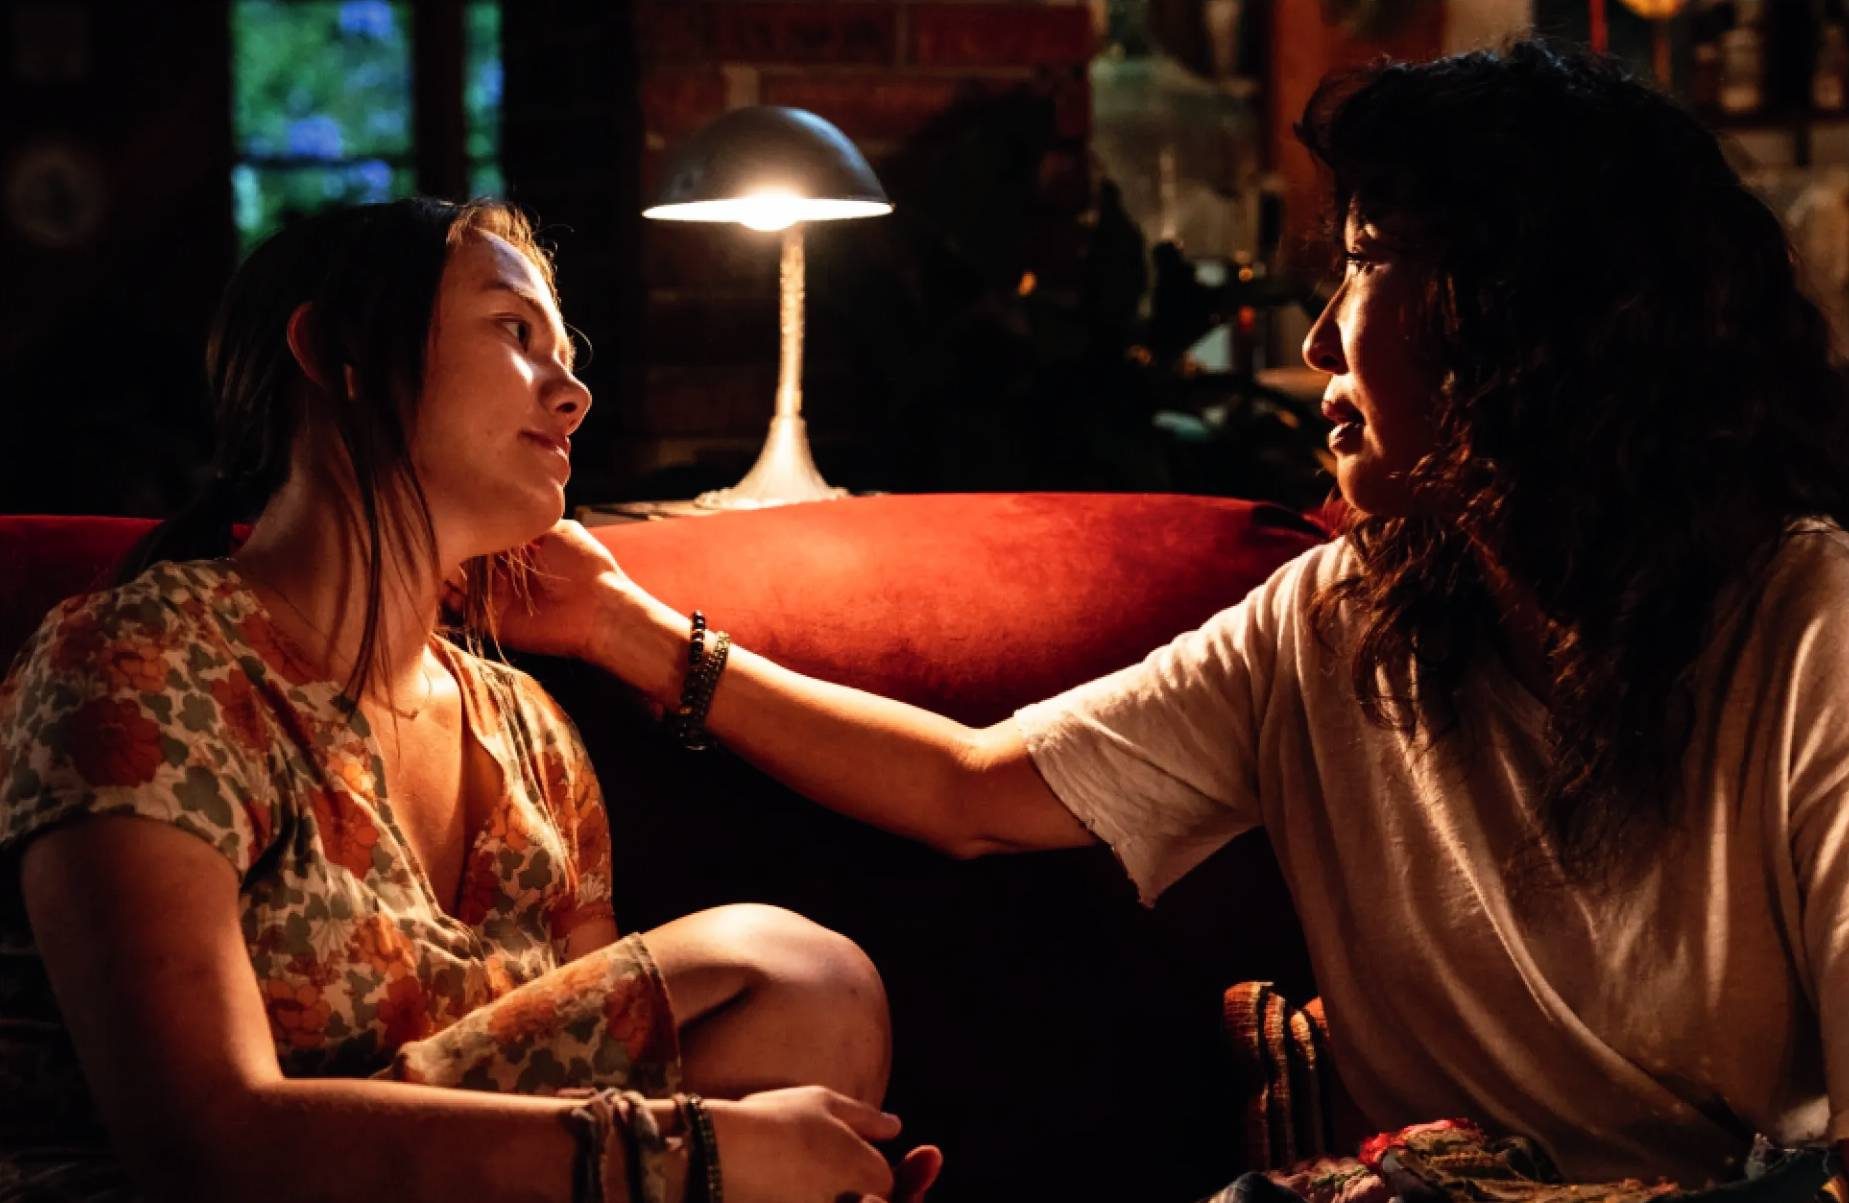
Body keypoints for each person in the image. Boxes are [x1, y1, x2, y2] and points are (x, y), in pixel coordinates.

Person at [493, 40, 1849, 1190]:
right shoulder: (1332, 622)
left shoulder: (1808, 626)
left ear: (1527, 317)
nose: (1318, 339)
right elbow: (968, 784)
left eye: (1368, 264)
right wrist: (624, 625)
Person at [0, 198, 940, 1203]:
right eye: (512, 331)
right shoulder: (141, 657)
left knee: (803, 993)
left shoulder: (529, 735)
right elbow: (202, 1146)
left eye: (566, 349)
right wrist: (687, 1156)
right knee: (788, 965)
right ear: (337, 353)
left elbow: (580, 1082)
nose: (572, 391)